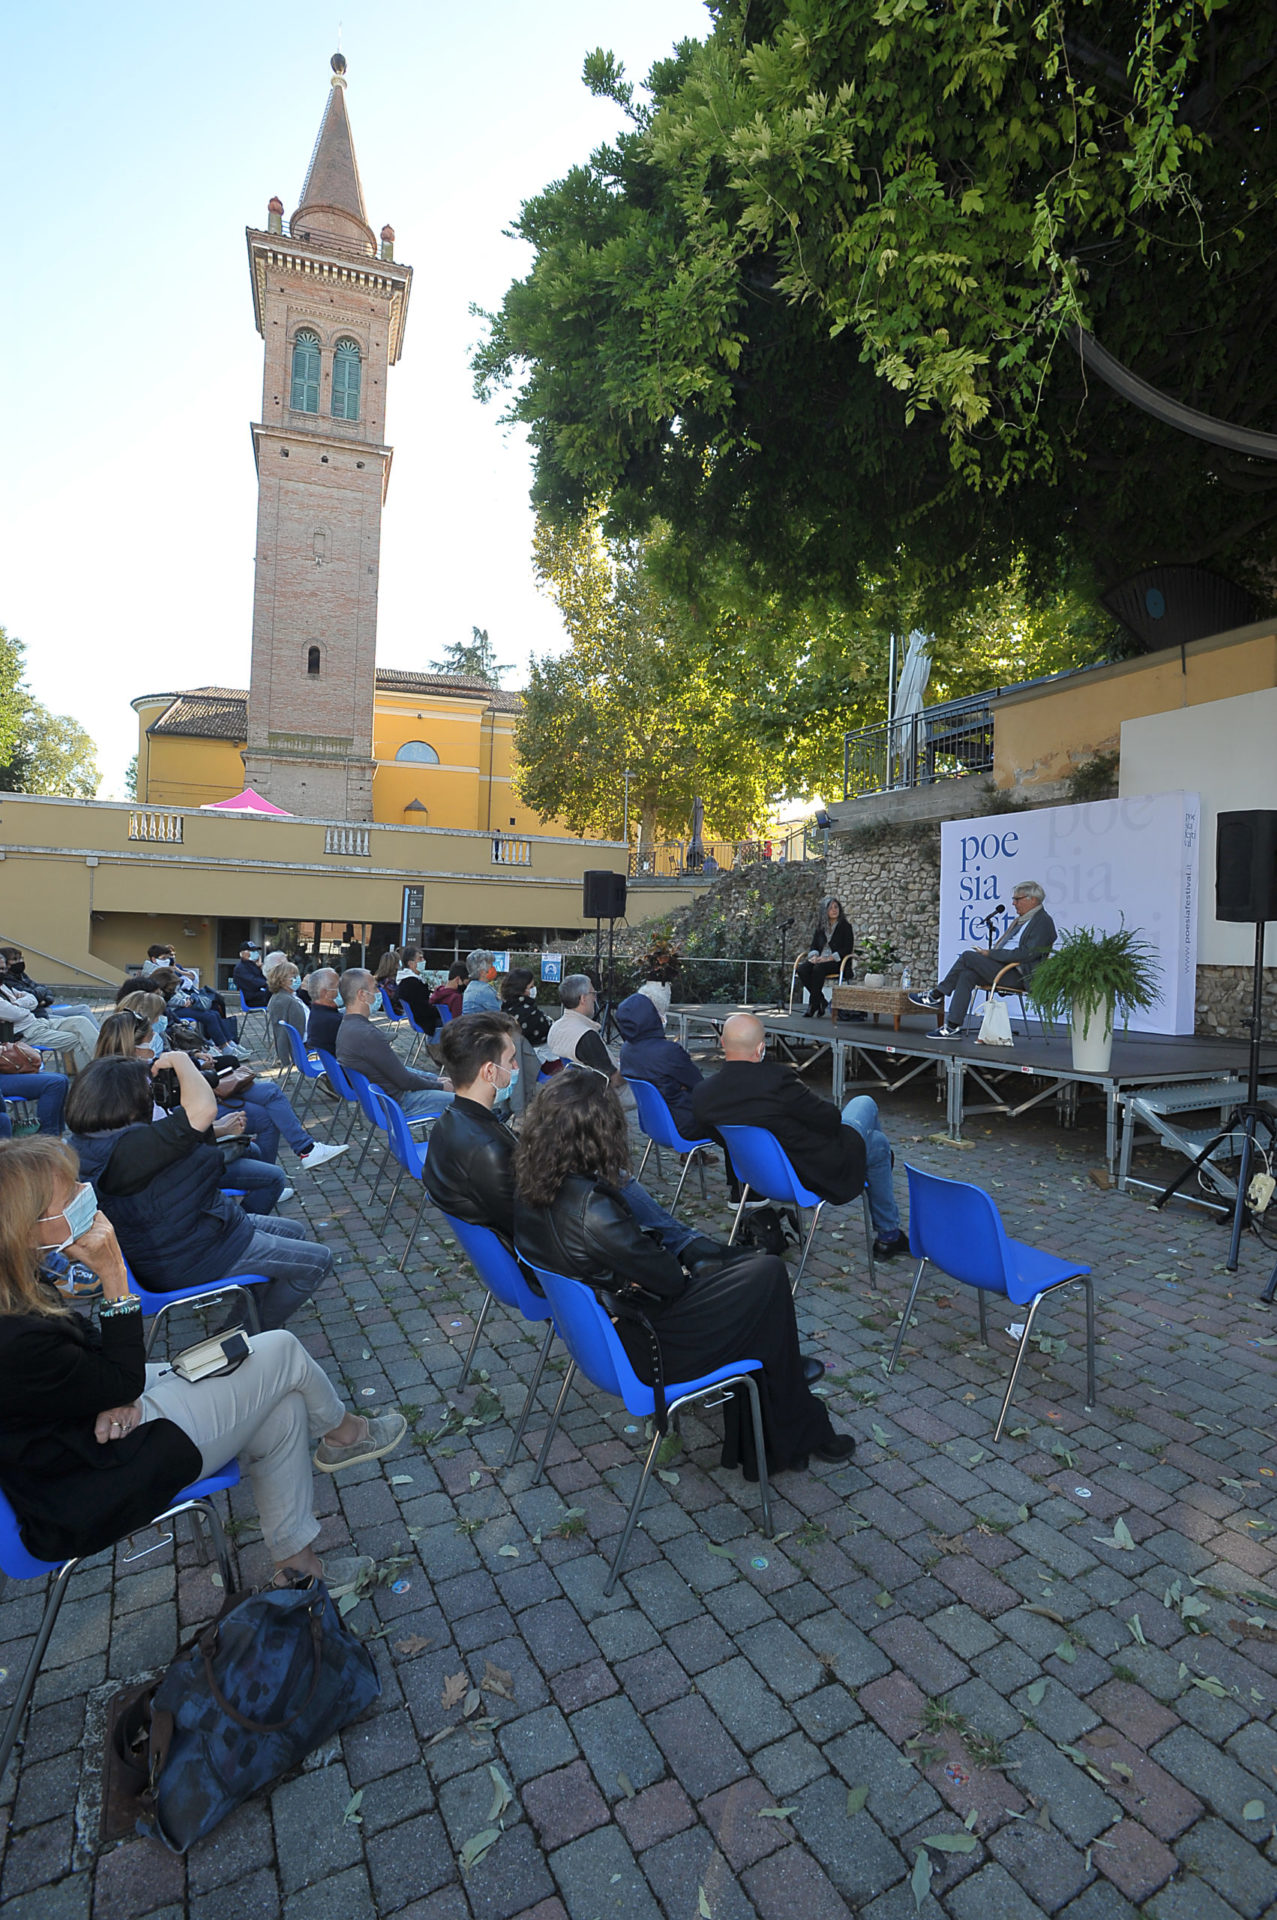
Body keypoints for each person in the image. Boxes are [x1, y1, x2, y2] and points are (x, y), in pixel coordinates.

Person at [0, 1137, 405, 1591]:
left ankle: (299, 1572)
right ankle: (344, 1434)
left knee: (284, 1405)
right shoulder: (14, 1334)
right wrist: (115, 1277)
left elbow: (92, 1352)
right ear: (27, 1225)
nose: (83, 1191)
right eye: (70, 1191)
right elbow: (112, 1371)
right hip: (86, 1478)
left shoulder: (17, 1280)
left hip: (91, 1424)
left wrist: (118, 1393)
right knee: (283, 1350)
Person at [512, 1073, 854, 1479]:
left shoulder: (533, 1186)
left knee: (756, 1279)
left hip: (608, 1332)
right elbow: (672, 1280)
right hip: (645, 1346)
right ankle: (795, 1414)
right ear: (597, 1134)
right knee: (767, 1275)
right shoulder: (593, 1209)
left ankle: (787, 1413)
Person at [423, 1012, 727, 1276]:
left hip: (519, 1254)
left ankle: (685, 1243)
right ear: (490, 1071)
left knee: (604, 1171)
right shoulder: (487, 1149)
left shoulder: (451, 1123)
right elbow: (539, 1223)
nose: (517, 1068)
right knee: (610, 1175)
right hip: (547, 1267)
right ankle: (684, 1244)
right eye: (511, 1059)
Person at [65, 1054, 335, 1328]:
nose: (152, 1096)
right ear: (123, 1099)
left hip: (195, 1231)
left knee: (296, 1232)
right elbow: (203, 1110)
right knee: (318, 1261)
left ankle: (246, 1313)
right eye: (148, 1090)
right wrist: (181, 1060)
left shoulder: (96, 1142)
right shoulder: (124, 1152)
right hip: (188, 1257)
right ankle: (241, 1335)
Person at [691, 1013, 909, 1258]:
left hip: (759, 1175)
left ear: (722, 1043)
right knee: (865, 1105)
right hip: (811, 1172)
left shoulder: (703, 1094)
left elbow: (723, 1138)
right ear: (761, 1048)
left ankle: (888, 1227)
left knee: (876, 1145)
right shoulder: (777, 1080)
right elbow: (830, 1119)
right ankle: (887, 1231)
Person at [120, 987, 347, 1175]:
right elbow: (171, 1092)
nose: (163, 1021)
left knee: (270, 1092)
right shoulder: (134, 1063)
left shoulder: (149, 1044)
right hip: (194, 1104)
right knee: (268, 1107)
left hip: (199, 1092)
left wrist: (195, 1059)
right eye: (159, 1017)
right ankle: (294, 1158)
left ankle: (302, 1151)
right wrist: (197, 1069)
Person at [94, 1008, 290, 1216]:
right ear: (135, 1048)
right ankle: (240, 1227)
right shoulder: (133, 1088)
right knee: (274, 1176)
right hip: (170, 1170)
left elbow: (169, 1126)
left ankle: (239, 1215)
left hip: (171, 1155)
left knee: (254, 1146)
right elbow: (170, 1137)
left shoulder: (113, 1077)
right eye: (151, 1039)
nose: (156, 1043)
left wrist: (219, 1127)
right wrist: (219, 1130)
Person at [908, 881, 1057, 1037]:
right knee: (967, 975)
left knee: (968, 956)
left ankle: (936, 995)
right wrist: (993, 955)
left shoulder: (1043, 921)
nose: (1013, 903)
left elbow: (1026, 954)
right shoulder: (1023, 920)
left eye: (1017, 899)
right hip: (1005, 968)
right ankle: (952, 1026)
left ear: (1032, 899)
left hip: (1020, 975)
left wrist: (991, 954)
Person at [334, 969, 454, 1122]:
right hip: (400, 1104)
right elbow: (405, 1080)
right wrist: (440, 1086)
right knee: (469, 1104)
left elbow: (399, 1071)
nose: (379, 992)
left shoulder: (347, 1026)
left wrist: (435, 1080)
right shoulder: (367, 1034)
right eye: (375, 988)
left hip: (387, 1100)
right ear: (362, 995)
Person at [615, 992, 703, 1139]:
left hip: (654, 1124)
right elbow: (699, 1084)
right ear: (650, 1017)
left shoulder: (626, 1051)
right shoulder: (668, 1051)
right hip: (685, 1125)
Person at [0, 980, 100, 1074]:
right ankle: (93, 1079)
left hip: (38, 1021)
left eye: (3, 969)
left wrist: (17, 1004)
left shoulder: (4, 985)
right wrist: (24, 1005)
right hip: (27, 1033)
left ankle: (106, 1060)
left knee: (81, 1021)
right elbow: (16, 1014)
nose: (3, 972)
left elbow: (33, 999)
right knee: (77, 1040)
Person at [794, 897, 855, 1019]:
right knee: (802, 969)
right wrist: (814, 956)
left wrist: (830, 958)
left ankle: (813, 1005)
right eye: (830, 908)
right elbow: (814, 945)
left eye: (836, 907)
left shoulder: (845, 926)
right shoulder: (820, 927)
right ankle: (821, 1001)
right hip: (821, 960)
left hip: (837, 962)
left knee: (818, 969)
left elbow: (847, 948)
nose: (834, 910)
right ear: (824, 911)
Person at [546, 975, 616, 1080]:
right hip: (590, 1092)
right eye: (593, 993)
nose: (595, 998)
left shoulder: (554, 1027)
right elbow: (610, 1079)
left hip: (565, 1088)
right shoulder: (586, 1035)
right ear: (583, 998)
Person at [266, 961, 308, 1068]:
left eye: (297, 975)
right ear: (281, 980)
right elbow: (281, 1033)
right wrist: (285, 1057)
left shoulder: (291, 995)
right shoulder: (282, 1000)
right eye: (293, 976)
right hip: (307, 1042)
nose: (297, 978)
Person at [395, 948, 442, 1039]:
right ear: (411, 963)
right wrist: (441, 1010)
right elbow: (424, 1009)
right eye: (420, 959)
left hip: (419, 1019)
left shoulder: (406, 981)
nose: (424, 961)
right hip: (426, 1022)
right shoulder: (413, 984)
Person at [0, 948, 56, 1014]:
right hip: (34, 1014)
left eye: (21, 958)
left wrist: (45, 1001)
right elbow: (33, 995)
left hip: (41, 1011)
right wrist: (39, 999)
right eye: (15, 959)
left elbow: (43, 989)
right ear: (6, 963)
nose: (20, 961)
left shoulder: (21, 975)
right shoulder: (7, 980)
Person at [305, 968, 343, 1055]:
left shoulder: (317, 1013)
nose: (342, 990)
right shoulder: (334, 1021)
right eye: (338, 987)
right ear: (325, 993)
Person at [462, 950, 501, 1015]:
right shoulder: (484, 990)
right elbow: (500, 1012)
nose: (494, 969)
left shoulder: (471, 986)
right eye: (491, 966)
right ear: (482, 972)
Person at [232, 944, 271, 1009]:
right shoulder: (240, 968)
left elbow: (266, 979)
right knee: (280, 999)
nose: (255, 953)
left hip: (260, 995)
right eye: (251, 951)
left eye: (255, 950)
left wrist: (261, 968)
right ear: (242, 953)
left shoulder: (253, 966)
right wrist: (272, 983)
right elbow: (257, 982)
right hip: (252, 999)